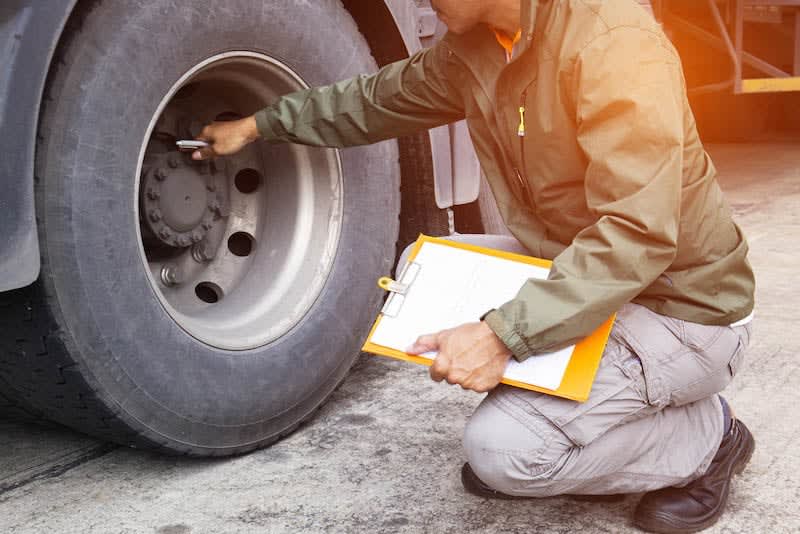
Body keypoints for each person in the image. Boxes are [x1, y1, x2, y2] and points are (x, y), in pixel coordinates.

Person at [192, 1, 755, 532]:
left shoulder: (614, 43)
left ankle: (711, 437)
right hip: (592, 274)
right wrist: (260, 124)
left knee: (506, 455)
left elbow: (636, 234)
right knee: (422, 272)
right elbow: (374, 100)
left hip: (680, 306)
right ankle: (583, 417)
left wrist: (503, 335)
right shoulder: (476, 45)